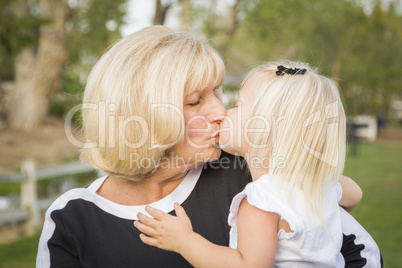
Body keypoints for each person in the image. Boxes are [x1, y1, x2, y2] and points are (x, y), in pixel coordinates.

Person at [37, 26, 377, 267]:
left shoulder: (254, 172)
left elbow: (357, 254)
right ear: (143, 116)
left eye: (217, 92)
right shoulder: (72, 219)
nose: (219, 111)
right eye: (195, 101)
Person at [134, 61, 383, 267]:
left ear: (263, 130)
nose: (224, 112)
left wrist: (184, 241)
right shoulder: (316, 186)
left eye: (237, 106)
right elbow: (355, 195)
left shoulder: (262, 201)